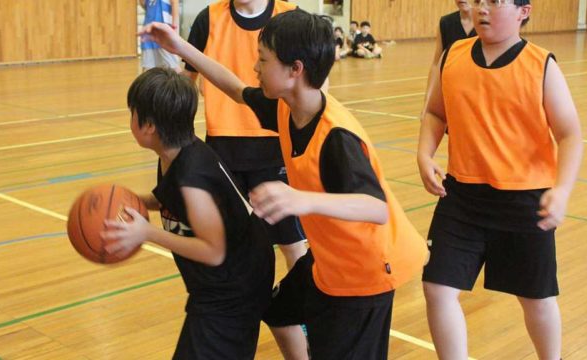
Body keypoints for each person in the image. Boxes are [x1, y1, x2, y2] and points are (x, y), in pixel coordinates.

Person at [141, 10, 429, 359]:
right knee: (277, 310)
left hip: (365, 274)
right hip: (326, 260)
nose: (255, 68)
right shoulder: (285, 105)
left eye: (263, 60)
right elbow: (234, 88)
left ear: (295, 70)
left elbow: (376, 207)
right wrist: (180, 46)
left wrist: (300, 200)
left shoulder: (337, 137)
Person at [417, 1, 583, 359]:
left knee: (537, 300)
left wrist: (562, 191)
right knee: (437, 288)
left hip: (525, 201)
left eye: (495, 2)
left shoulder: (541, 66)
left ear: (524, 11)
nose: (483, 10)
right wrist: (424, 153)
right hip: (462, 195)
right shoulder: (453, 56)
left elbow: (569, 134)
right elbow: (434, 112)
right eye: (479, 1)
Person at [103, 68, 275, 359]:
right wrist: (141, 202)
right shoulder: (177, 151)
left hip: (234, 286)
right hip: (226, 279)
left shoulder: (192, 177)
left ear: (148, 127)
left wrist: (147, 233)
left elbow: (212, 251)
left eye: (132, 112)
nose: (130, 118)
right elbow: (172, 198)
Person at [182, 0, 307, 274]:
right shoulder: (209, 18)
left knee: (292, 242)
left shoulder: (289, 16)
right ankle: (244, 310)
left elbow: (313, 85)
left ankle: (299, 312)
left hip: (277, 146)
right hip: (223, 149)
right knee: (235, 244)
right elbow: (186, 81)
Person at [422, 0, 477, 117]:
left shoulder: (487, 23)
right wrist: (427, 100)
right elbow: (436, 64)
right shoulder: (446, 23)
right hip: (452, 92)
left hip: (477, 94)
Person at [139, 0, 180, 71]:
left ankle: (180, 82)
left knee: (172, 66)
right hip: (149, 35)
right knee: (148, 68)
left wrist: (174, 33)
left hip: (164, 34)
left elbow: (175, 10)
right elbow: (144, 5)